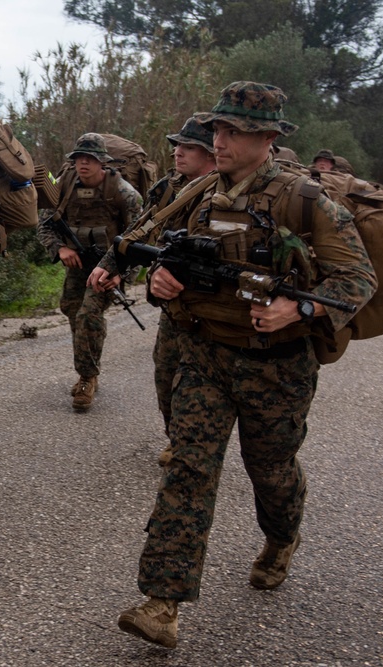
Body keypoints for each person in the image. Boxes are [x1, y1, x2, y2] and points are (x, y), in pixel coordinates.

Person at [91, 81, 377, 648]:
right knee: (187, 470)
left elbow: (359, 279)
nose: (219, 141)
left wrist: (299, 305)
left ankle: (280, 537)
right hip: (203, 355)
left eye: (233, 132)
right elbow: (163, 261)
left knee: (269, 469)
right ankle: (162, 603)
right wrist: (161, 283)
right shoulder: (193, 194)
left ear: (267, 138)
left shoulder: (304, 199)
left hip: (277, 367)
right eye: (217, 130)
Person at [36, 133, 143, 411]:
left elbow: (140, 238)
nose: (83, 163)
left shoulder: (124, 193)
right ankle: (89, 363)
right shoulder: (63, 186)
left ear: (103, 162)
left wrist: (121, 274)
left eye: (90, 159)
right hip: (78, 265)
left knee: (88, 314)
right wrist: (60, 249)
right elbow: (44, 224)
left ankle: (87, 377)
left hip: (109, 268)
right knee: (73, 310)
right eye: (79, 158)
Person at [139, 118, 218, 465]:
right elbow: (141, 231)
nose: (177, 151)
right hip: (177, 308)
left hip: (222, 311)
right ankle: (178, 437)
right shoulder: (167, 189)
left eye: (187, 147)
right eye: (177, 145)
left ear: (209, 152)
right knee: (165, 374)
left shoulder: (237, 192)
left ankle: (192, 445)